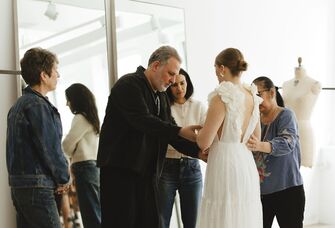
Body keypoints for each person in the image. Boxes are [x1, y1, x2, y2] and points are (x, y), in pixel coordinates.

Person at [97, 45, 205, 228]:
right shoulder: (128, 84)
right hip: (120, 171)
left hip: (146, 173)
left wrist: (199, 153)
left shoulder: (161, 96)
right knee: (122, 222)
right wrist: (179, 130)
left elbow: (168, 130)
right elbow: (143, 121)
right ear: (155, 65)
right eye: (170, 74)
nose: (173, 81)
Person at [196, 48, 263, 228]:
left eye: (215, 68)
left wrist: (196, 132)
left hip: (224, 163)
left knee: (223, 213)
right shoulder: (252, 96)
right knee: (242, 214)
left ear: (222, 68)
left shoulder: (221, 97)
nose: (216, 74)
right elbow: (256, 137)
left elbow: (204, 142)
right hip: (245, 162)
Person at [6, 47, 70, 228]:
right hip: (37, 187)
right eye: (56, 70)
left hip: (21, 187)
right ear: (44, 75)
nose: (58, 75)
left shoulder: (20, 104)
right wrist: (64, 178)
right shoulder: (37, 105)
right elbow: (49, 149)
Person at [248, 76, 305, 228]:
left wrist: (260, 145)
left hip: (288, 190)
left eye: (258, 95)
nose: (255, 100)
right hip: (260, 193)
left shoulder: (286, 115)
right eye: (252, 96)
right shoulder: (254, 120)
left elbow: (287, 142)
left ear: (272, 92)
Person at [158, 68, 206, 228]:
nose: (179, 88)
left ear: (188, 83)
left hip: (191, 166)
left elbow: (207, 135)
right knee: (161, 220)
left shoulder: (199, 106)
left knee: (193, 222)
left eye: (182, 83)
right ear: (169, 86)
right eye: (174, 85)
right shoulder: (164, 108)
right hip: (167, 166)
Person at [62, 83, 101, 228]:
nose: (67, 104)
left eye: (68, 99)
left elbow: (66, 146)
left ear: (76, 99)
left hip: (84, 168)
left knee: (91, 216)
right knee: (96, 213)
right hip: (92, 168)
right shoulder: (90, 118)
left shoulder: (80, 118)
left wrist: (69, 154)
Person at [282, 60, 321, 167]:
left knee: (301, 168)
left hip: (303, 132)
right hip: (286, 131)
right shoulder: (286, 84)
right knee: (288, 169)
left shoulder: (314, 84)